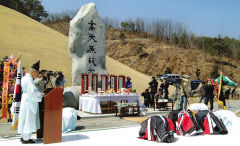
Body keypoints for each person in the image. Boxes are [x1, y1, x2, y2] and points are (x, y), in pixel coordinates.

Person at [18, 61, 44, 144]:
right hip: (29, 101)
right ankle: (26, 138)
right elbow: (33, 92)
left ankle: (23, 136)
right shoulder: (29, 80)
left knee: (24, 118)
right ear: (33, 71)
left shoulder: (25, 78)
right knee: (28, 119)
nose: (37, 75)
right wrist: (41, 95)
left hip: (25, 99)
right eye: (36, 73)